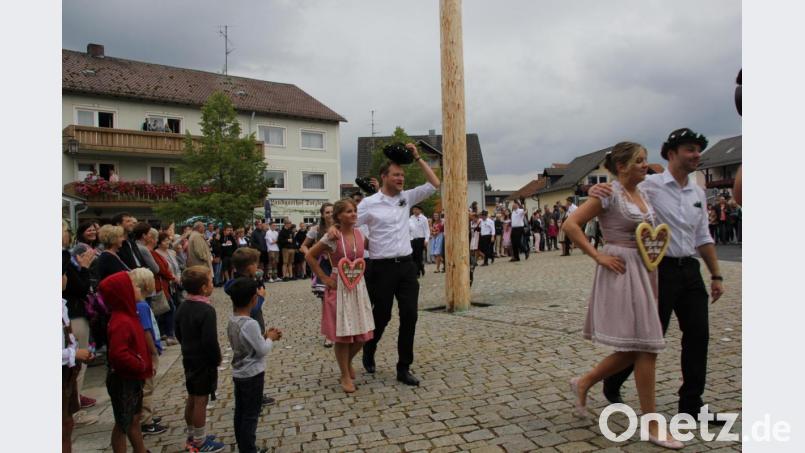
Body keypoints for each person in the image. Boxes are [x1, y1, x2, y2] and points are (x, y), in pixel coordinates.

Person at [590, 128, 726, 426]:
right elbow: (619, 189)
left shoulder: (698, 192)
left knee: (698, 337)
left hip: (689, 270)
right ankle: (613, 382)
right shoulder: (649, 184)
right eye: (689, 149)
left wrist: (716, 274)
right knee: (649, 338)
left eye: (698, 150)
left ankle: (691, 406)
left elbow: (703, 236)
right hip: (657, 269)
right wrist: (596, 190)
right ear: (671, 153)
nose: (696, 155)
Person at [563, 141, 682, 449]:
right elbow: (571, 225)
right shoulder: (610, 194)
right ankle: (652, 423)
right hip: (621, 270)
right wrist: (598, 256)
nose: (646, 164)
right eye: (639, 160)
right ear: (622, 167)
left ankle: (585, 381)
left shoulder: (642, 193)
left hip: (644, 270)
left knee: (638, 346)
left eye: (646, 160)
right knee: (646, 347)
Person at [355, 142, 440, 386]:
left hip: (406, 266)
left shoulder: (408, 197)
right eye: (396, 175)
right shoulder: (369, 203)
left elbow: (435, 184)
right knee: (381, 316)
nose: (401, 178)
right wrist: (365, 244)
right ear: (384, 177)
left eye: (402, 175)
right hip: (381, 268)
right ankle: (370, 348)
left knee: (410, 316)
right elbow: (351, 226)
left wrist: (417, 157)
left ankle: (404, 367)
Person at [306, 198, 375, 393]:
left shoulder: (361, 234)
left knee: (362, 334)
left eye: (354, 210)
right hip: (338, 286)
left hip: (358, 286)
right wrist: (324, 278)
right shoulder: (332, 237)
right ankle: (344, 374)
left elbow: (378, 247)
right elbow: (309, 255)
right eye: (348, 211)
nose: (353, 214)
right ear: (338, 216)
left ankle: (347, 362)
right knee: (343, 335)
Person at [226, 278, 282, 453]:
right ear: (253, 300)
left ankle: (244, 445)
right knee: (251, 415)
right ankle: (249, 449)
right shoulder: (250, 323)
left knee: (240, 412)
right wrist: (270, 338)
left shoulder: (233, 320)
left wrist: (263, 335)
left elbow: (248, 342)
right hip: (253, 374)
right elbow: (262, 350)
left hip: (239, 373)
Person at [99, 271, 152, 453]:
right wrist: (140, 364)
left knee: (134, 418)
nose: (138, 289)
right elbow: (118, 354)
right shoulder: (120, 321)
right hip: (123, 379)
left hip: (132, 377)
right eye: (133, 286)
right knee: (123, 423)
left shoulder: (130, 314)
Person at [174, 266, 225, 452]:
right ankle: (200, 441)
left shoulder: (182, 306)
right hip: (203, 361)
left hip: (189, 357)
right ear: (204, 288)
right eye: (211, 282)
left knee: (192, 397)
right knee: (201, 400)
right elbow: (210, 340)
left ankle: (192, 433)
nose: (212, 284)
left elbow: (177, 331)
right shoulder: (206, 310)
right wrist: (216, 358)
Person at [225, 248, 276, 407]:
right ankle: (255, 397)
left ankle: (254, 395)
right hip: (250, 324)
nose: (257, 267)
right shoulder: (246, 285)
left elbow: (228, 286)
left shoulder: (237, 282)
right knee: (254, 360)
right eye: (255, 264)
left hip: (245, 324)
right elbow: (252, 308)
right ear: (249, 267)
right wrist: (260, 297)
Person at [127, 268, 168, 436]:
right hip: (147, 352)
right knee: (147, 387)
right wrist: (152, 352)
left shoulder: (139, 304)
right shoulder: (142, 306)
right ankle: (146, 420)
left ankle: (146, 415)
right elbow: (146, 331)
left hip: (145, 350)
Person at [62, 259, 95, 453]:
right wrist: (74, 353)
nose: (66, 277)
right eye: (64, 274)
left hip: (68, 371)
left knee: (67, 423)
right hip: (64, 367)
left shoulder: (62, 304)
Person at [63, 243, 98, 415]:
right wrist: (84, 267)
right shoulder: (70, 267)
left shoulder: (69, 266)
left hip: (75, 315)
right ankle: (75, 408)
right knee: (77, 365)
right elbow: (81, 289)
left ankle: (75, 405)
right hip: (75, 317)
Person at [300, 203, 336, 347]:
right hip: (324, 266)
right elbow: (303, 245)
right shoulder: (316, 230)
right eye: (327, 212)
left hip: (339, 265)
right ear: (322, 214)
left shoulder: (341, 227)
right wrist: (311, 254)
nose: (330, 214)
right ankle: (329, 335)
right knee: (327, 301)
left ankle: (341, 331)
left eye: (332, 211)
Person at [150, 230, 179, 346]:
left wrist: (177, 277)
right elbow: (161, 269)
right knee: (167, 308)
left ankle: (167, 333)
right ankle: (168, 334)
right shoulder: (156, 253)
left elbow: (175, 266)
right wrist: (173, 277)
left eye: (168, 240)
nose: (168, 242)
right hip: (164, 284)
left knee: (170, 307)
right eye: (165, 240)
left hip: (172, 283)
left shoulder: (171, 252)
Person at [408, 205, 430, 277]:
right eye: (414, 209)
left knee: (419, 256)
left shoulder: (424, 218)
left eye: (416, 209)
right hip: (412, 239)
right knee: (413, 256)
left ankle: (418, 272)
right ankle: (418, 269)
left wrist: (426, 239)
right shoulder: (410, 218)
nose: (415, 211)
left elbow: (427, 230)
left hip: (421, 239)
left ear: (420, 210)